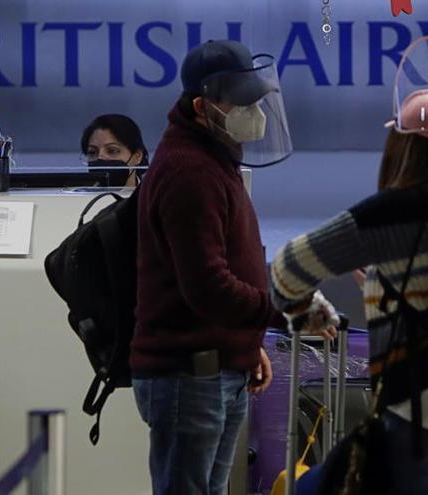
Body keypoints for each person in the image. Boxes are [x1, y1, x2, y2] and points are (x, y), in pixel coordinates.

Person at [269, 36, 428, 495]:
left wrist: (305, 311)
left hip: (426, 418)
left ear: (401, 142)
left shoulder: (397, 211)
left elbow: (287, 269)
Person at [130, 39, 294, 495]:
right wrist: (283, 311)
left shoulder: (215, 158)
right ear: (203, 106)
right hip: (188, 375)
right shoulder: (190, 171)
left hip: (217, 367)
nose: (254, 113)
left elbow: (227, 266)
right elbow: (207, 286)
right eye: (240, 103)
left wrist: (246, 345)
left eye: (257, 100)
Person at [80, 114, 148, 187]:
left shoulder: (153, 196)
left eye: (112, 151)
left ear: (137, 156)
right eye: (92, 152)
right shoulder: (77, 196)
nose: (100, 157)